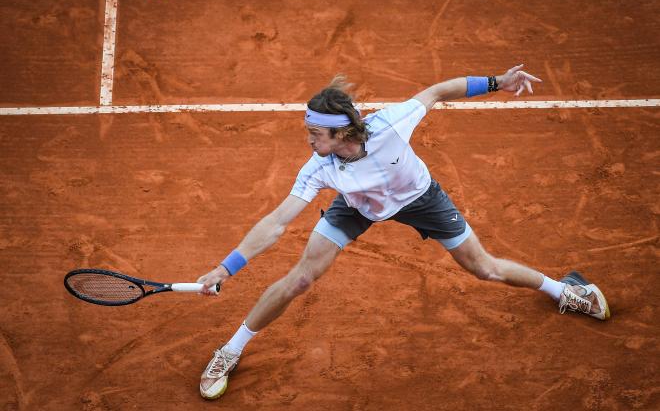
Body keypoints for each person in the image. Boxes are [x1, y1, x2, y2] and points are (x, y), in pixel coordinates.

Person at [195, 65, 610, 400]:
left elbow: (436, 92)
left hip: (420, 198)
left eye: (315, 133)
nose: (309, 141)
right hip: (356, 207)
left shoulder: (390, 125)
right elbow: (276, 222)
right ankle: (229, 351)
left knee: (485, 269)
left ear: (341, 133)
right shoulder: (319, 166)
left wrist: (497, 82)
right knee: (301, 277)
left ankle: (566, 291)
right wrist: (225, 268)